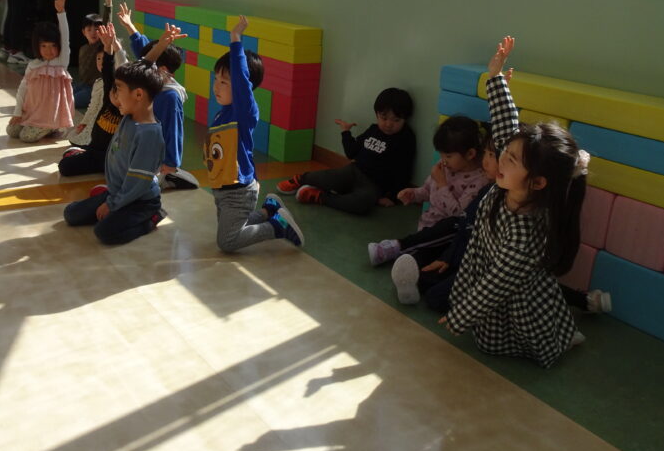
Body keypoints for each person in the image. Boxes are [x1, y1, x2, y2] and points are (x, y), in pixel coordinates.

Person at [438, 36, 589, 368]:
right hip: (485, 267)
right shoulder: (513, 179)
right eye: (504, 152)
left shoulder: (525, 232)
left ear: (537, 182)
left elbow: (497, 284)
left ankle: (562, 340)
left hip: (516, 297)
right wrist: (495, 77)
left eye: (510, 159)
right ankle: (564, 331)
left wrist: (461, 316)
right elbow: (506, 121)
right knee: (486, 328)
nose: (501, 160)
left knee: (507, 339)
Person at [63, 26, 182, 245]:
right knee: (71, 214)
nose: (114, 95)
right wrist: (161, 45)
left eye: (118, 89)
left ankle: (152, 217)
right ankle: (113, 202)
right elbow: (143, 67)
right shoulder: (129, 114)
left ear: (138, 95)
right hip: (119, 192)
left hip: (140, 200)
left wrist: (112, 205)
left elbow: (137, 183)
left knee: (105, 232)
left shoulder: (148, 135)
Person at [207, 15, 304, 252]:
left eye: (224, 82)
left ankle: (278, 226)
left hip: (238, 191)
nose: (216, 86)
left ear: (243, 87)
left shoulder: (244, 111)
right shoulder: (223, 113)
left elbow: (241, 81)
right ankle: (269, 211)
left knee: (227, 242)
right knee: (230, 228)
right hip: (223, 189)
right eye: (216, 79)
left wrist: (235, 39)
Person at [368, 115, 489, 265]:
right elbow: (428, 190)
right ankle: (399, 253)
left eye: (448, 156)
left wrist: (442, 183)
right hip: (426, 228)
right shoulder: (445, 167)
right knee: (417, 252)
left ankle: (397, 253)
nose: (443, 160)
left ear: (470, 154)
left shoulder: (479, 180)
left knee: (421, 257)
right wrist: (414, 194)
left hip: (445, 236)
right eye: (441, 155)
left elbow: (458, 216)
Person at [276, 88, 416, 214]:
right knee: (329, 177)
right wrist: (346, 133)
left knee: (362, 203)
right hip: (353, 171)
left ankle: (320, 196)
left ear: (405, 119)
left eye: (396, 120)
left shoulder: (405, 138)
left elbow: (404, 170)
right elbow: (351, 152)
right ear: (377, 115)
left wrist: (392, 197)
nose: (388, 124)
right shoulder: (373, 130)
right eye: (383, 118)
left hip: (374, 186)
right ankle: (300, 179)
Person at [118, 2, 199, 189]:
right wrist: (130, 26)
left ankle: (173, 176)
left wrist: (171, 163)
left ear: (161, 70)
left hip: (158, 159)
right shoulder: (153, 78)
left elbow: (173, 131)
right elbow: (144, 54)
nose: (143, 65)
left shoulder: (170, 96)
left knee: (138, 186)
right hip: (144, 145)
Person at [58, 21, 130, 178]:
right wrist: (108, 46)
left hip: (111, 158)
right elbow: (107, 70)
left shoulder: (127, 114)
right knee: (65, 165)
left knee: (114, 173)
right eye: (114, 91)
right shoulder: (107, 97)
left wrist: (116, 47)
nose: (116, 95)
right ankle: (79, 153)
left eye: (120, 93)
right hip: (93, 150)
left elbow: (122, 68)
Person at [6, 0, 75, 143]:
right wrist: (17, 112)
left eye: (53, 46)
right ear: (37, 46)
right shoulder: (33, 65)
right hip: (33, 112)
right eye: (44, 46)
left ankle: (52, 127)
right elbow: (22, 89)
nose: (49, 50)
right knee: (12, 131)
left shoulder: (61, 62)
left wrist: (61, 13)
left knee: (26, 137)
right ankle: (43, 127)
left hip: (50, 115)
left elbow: (65, 37)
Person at [73, 0, 114, 111]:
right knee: (64, 94)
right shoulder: (83, 48)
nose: (93, 33)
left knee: (71, 101)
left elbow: (106, 24)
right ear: (83, 32)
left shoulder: (100, 46)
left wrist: (108, 5)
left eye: (96, 29)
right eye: (89, 29)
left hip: (95, 88)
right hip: (84, 84)